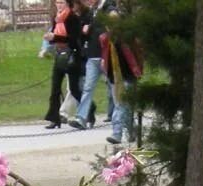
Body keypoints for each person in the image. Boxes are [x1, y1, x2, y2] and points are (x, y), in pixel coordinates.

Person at [41, 0, 86, 130]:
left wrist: (55, 37)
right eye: (57, 3)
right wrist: (51, 39)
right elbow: (55, 36)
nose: (59, 5)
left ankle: (89, 109)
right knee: (55, 88)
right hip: (60, 55)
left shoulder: (73, 18)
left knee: (74, 89)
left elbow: (73, 39)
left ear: (67, 4)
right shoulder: (57, 18)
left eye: (61, 2)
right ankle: (54, 118)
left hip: (72, 55)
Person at [71, 0, 114, 131]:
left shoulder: (109, 8)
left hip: (105, 56)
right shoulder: (92, 11)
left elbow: (110, 31)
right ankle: (81, 117)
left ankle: (122, 119)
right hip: (93, 55)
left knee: (114, 88)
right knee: (88, 88)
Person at [100, 14, 143, 146]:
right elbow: (105, 59)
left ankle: (119, 133)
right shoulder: (106, 40)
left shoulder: (126, 39)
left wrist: (137, 71)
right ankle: (127, 132)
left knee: (122, 106)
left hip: (128, 77)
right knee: (123, 106)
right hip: (114, 78)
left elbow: (136, 55)